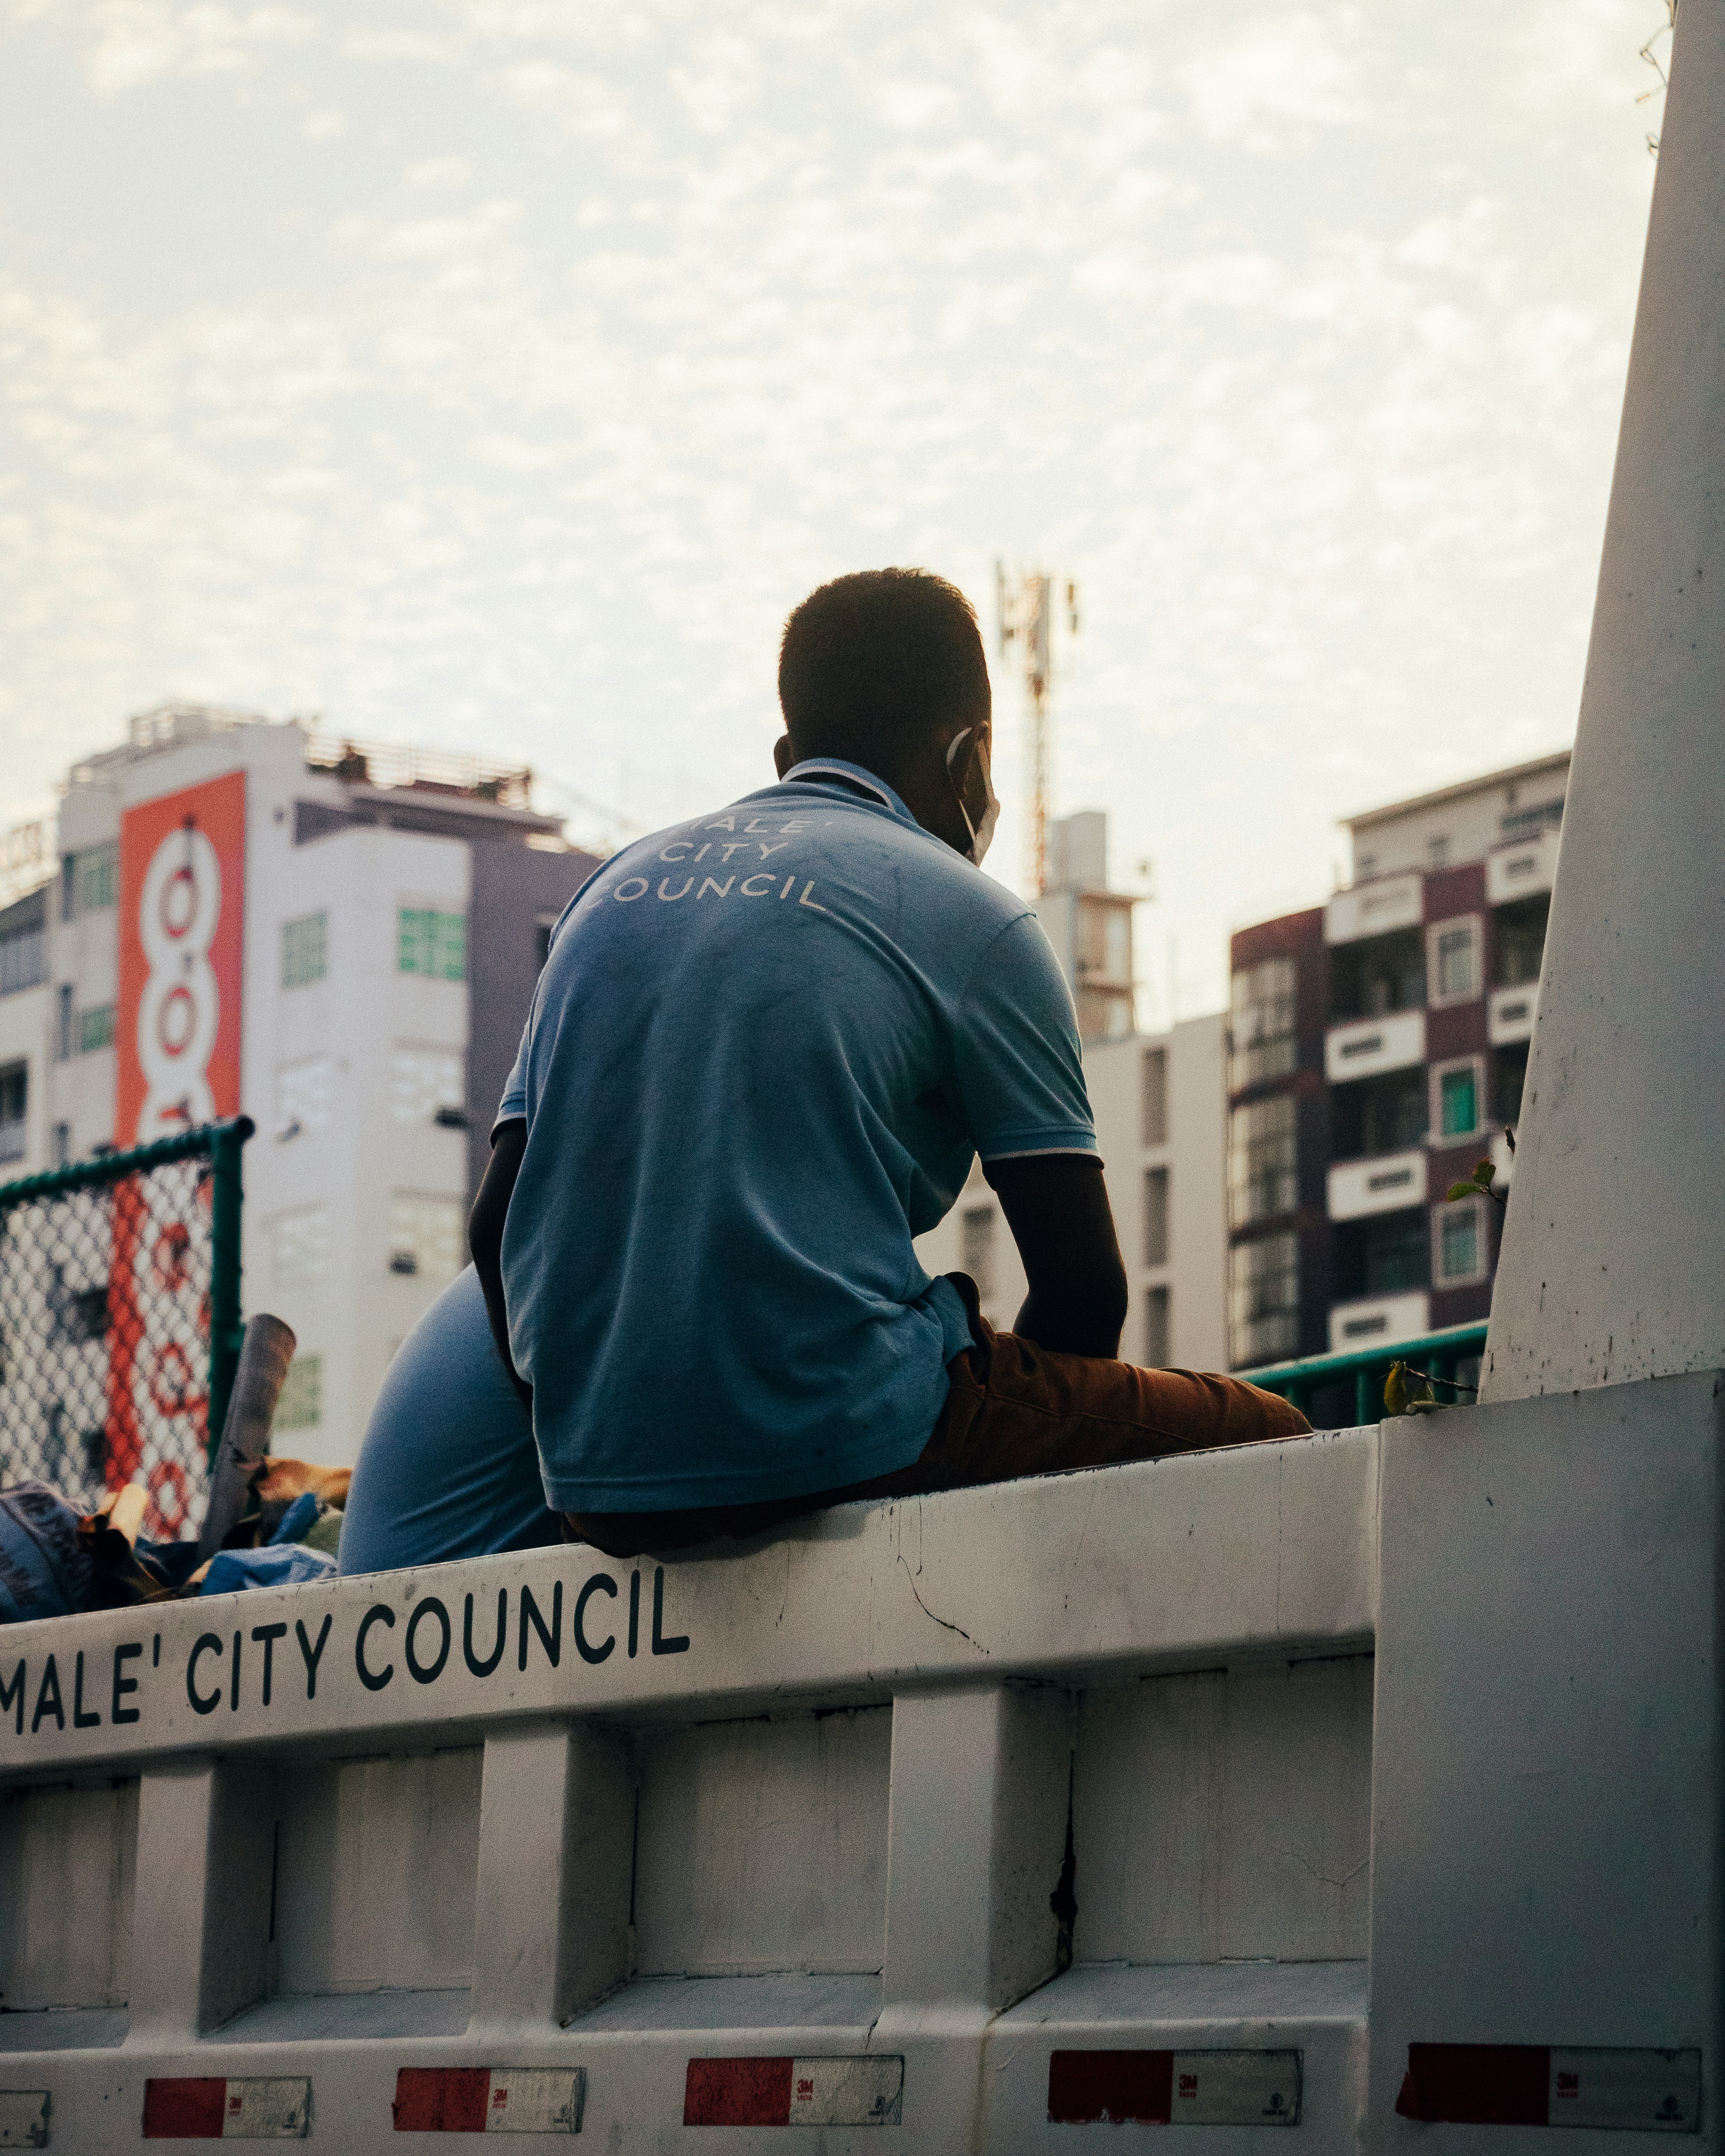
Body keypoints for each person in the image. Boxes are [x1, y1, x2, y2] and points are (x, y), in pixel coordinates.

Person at [470, 568, 1308, 1559]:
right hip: (842, 1436)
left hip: (596, 1487)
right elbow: (1083, 1290)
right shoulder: (973, 916)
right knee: (1278, 1440)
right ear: (972, 757)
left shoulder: (606, 893)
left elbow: (495, 1230)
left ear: (788, 752)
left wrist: (599, 1429)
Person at [336, 1265, 560, 1575]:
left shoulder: (531, 1257)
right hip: (431, 1607)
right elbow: (616, 1526)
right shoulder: (574, 1270)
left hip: (400, 1596)